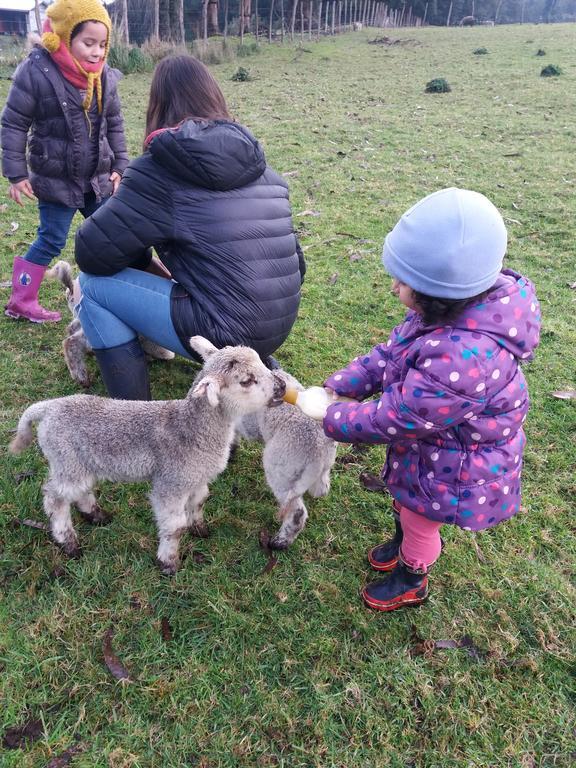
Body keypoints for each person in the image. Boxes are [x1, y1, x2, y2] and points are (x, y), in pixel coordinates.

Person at [320, 188, 541, 612]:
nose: (394, 288)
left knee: (421, 518)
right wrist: (347, 381)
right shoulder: (440, 314)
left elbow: (399, 416)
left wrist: (337, 418)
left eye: (404, 283)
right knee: (408, 504)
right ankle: (404, 542)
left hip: (453, 466)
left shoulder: (465, 355)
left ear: (439, 293)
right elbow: (389, 355)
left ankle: (412, 576)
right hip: (432, 449)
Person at [74, 55, 305, 401]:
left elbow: (91, 253)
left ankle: (135, 416)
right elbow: (298, 265)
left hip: (225, 327)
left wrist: (118, 205)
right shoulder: (264, 170)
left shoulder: (157, 171)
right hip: (278, 323)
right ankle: (253, 366)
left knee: (92, 286)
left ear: (158, 105)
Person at [1, 0, 128, 324]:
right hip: (56, 180)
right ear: (64, 36)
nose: (97, 52)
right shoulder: (37, 71)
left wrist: (120, 167)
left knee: (108, 233)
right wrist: (16, 174)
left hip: (97, 178)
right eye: (88, 43)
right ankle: (21, 299)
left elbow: (114, 124)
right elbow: (14, 123)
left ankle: (109, 293)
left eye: (102, 44)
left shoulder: (103, 78)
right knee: (51, 239)